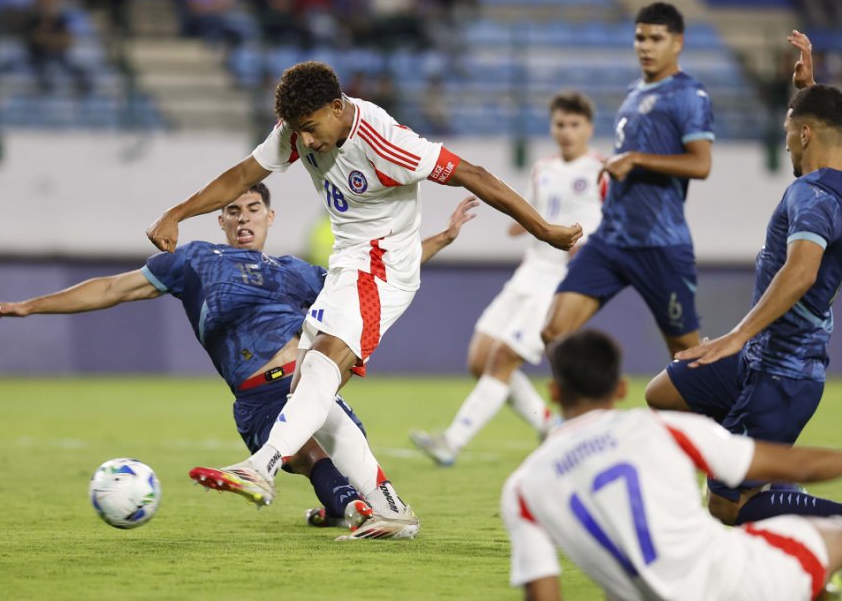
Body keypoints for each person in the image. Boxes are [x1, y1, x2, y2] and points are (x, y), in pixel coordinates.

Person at [145, 61, 581, 534]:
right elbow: (243, 174)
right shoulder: (297, 130)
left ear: (337, 107)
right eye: (298, 132)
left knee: (321, 367)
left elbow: (472, 173)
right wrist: (178, 212)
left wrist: (544, 229)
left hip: (383, 268)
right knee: (310, 392)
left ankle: (262, 466)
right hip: (347, 265)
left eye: (311, 129)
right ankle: (390, 507)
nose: (306, 142)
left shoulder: (387, 143)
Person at [0, 184, 479, 540]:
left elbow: (374, 276)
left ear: (269, 217)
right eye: (233, 211)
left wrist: (441, 238)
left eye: (253, 209)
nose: (243, 219)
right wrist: (28, 305)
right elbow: (111, 288)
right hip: (259, 397)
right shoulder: (195, 262)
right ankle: (352, 507)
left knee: (318, 433)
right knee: (310, 457)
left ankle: (344, 504)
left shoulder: (298, 272)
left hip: (313, 384)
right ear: (220, 220)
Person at [502, 328, 842, 601]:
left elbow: (544, 592)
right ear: (621, 388)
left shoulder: (523, 488)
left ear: (555, 393)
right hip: (739, 580)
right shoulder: (663, 430)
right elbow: (788, 462)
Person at [646, 36, 842, 529]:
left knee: (725, 507)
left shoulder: (812, 197)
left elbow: (801, 272)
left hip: (783, 372)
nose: (784, 139)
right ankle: (763, 470)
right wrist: (809, 86)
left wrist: (735, 334)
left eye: (788, 130)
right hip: (760, 355)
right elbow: (836, 127)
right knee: (664, 394)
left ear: (805, 135)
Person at [410, 91, 606, 466]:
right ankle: (549, 423)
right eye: (560, 124)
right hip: (529, 271)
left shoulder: (601, 169)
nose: (566, 132)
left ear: (589, 128)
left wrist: (593, 247)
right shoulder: (543, 168)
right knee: (478, 359)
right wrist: (522, 226)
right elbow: (536, 211)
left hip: (561, 279)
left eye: (575, 125)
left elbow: (613, 220)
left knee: (502, 358)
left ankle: (451, 441)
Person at [540, 2, 713, 362]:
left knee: (687, 358)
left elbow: (701, 163)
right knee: (554, 333)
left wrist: (636, 160)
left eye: (656, 38)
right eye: (639, 38)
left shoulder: (689, 96)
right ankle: (591, 414)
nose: (645, 47)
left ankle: (713, 418)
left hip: (660, 244)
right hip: (611, 239)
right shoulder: (635, 94)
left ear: (678, 42)